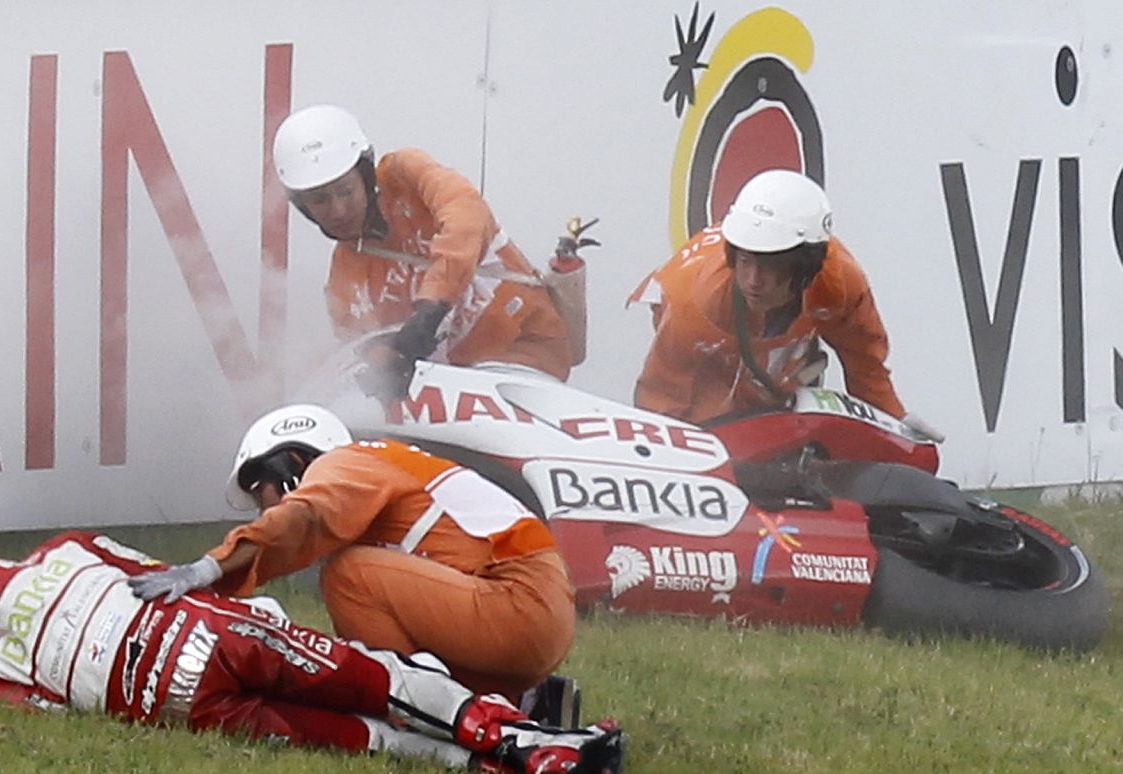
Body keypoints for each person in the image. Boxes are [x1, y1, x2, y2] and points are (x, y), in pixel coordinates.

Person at [0, 529, 625, 774]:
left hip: (179, 704)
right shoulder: (60, 548)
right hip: (210, 635)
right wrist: (249, 614)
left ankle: (488, 767)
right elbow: (151, 569)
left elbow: (38, 703)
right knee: (373, 679)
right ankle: (532, 744)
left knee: (359, 736)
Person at [126, 403, 576, 703]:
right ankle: (514, 708)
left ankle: (418, 715)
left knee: (349, 576)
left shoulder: (345, 463)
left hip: (517, 605)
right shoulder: (385, 465)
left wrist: (208, 568)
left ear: (290, 465)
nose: (264, 508)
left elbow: (303, 519)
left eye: (259, 489)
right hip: (532, 609)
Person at [272, 103, 576, 393]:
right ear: (304, 208)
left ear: (365, 176)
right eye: (321, 200)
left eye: (346, 191)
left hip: (527, 352)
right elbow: (363, 347)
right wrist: (385, 367)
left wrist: (431, 308)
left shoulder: (406, 175)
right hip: (456, 394)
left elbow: (468, 215)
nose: (338, 210)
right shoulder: (344, 279)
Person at [630, 169, 943, 440]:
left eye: (769, 266)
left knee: (777, 420)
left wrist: (895, 426)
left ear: (806, 268)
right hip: (702, 335)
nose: (752, 280)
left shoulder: (841, 283)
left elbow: (865, 364)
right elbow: (662, 395)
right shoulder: (694, 302)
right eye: (744, 260)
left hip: (777, 354)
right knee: (713, 421)